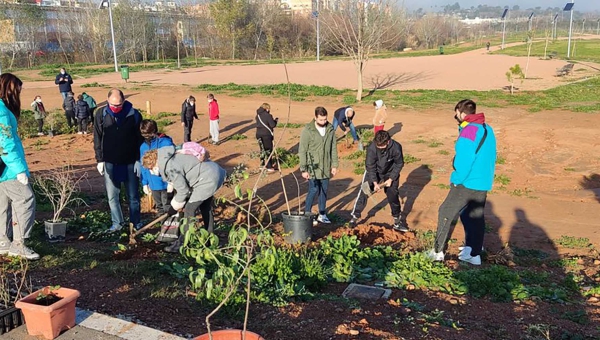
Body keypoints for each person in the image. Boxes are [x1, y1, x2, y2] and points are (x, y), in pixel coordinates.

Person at [427, 99, 497, 266]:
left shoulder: (469, 131)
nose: (455, 116)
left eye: (456, 113)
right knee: (473, 216)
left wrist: (457, 180)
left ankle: (437, 252)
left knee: (445, 212)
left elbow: (464, 160)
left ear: (462, 113)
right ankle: (473, 253)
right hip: (483, 181)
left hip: (467, 182)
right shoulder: (487, 128)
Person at [141, 146, 226, 253]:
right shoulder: (168, 157)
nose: (151, 172)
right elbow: (177, 181)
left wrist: (174, 207)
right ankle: (210, 239)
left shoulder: (169, 167)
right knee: (205, 206)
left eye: (150, 169)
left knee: (190, 209)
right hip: (213, 172)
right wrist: (171, 197)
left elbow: (183, 191)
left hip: (206, 179)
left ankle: (183, 243)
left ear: (153, 164)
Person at [0, 73, 39, 260]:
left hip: (2, 169)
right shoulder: (1, 110)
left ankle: (2, 242)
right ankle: (19, 244)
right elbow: (5, 142)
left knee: (3, 203)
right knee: (25, 199)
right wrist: (19, 169)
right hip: (8, 169)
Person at [93, 88, 144, 232]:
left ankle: (136, 223)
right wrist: (99, 159)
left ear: (124, 101)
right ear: (108, 101)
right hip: (110, 161)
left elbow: (140, 139)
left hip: (130, 162)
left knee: (133, 196)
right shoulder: (101, 114)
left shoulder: (134, 115)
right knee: (112, 196)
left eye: (119, 105)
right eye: (113, 105)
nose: (116, 108)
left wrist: (138, 159)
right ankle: (117, 223)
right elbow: (97, 136)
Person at [350, 130, 407, 232]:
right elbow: (370, 166)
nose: (379, 148)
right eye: (378, 146)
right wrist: (375, 183)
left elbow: (399, 164)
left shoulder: (396, 148)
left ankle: (397, 221)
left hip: (390, 172)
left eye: (382, 146)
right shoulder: (372, 148)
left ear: (388, 142)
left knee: (393, 194)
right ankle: (354, 217)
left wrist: (391, 179)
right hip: (375, 171)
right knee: (364, 191)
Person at [299, 106, 338, 224]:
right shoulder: (307, 130)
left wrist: (334, 164)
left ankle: (322, 214)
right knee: (313, 189)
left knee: (324, 191)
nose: (323, 122)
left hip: (325, 166)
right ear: (315, 117)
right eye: (321, 120)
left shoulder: (330, 129)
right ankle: (307, 214)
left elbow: (333, 148)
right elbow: (302, 150)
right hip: (313, 166)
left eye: (325, 119)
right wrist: (303, 169)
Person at [139, 119, 175, 215]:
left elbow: (173, 162)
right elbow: (144, 166)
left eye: (148, 135)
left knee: (167, 206)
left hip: (165, 183)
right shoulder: (143, 147)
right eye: (144, 135)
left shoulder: (165, 143)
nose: (146, 137)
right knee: (159, 207)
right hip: (153, 183)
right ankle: (163, 226)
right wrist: (145, 183)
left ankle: (171, 227)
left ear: (154, 132)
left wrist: (171, 182)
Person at [255, 103, 278, 173]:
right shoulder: (268, 116)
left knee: (262, 149)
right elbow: (272, 125)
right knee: (268, 150)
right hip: (266, 135)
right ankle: (269, 166)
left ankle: (262, 165)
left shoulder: (257, 115)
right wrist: (276, 121)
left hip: (258, 134)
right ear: (267, 109)